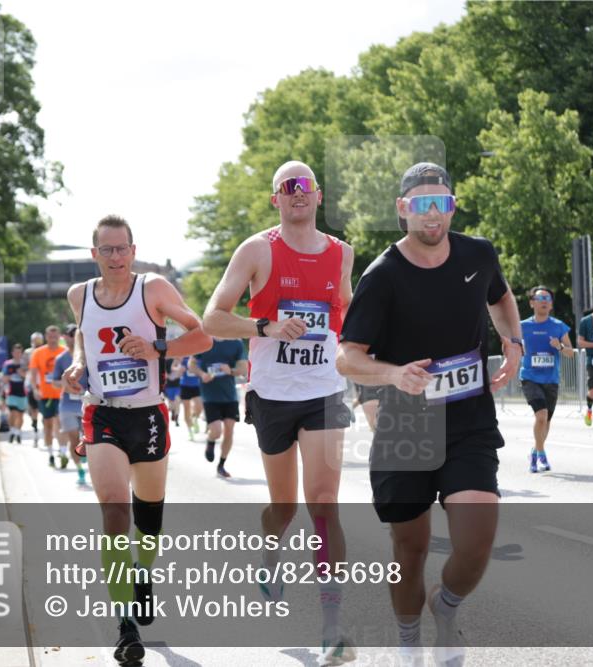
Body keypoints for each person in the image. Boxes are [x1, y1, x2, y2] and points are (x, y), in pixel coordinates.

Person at [336, 162, 522, 667]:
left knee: (477, 538)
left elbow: (501, 297)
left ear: (453, 205)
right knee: (410, 549)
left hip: (469, 418)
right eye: (421, 204)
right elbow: (347, 355)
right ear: (403, 210)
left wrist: (513, 342)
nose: (432, 213)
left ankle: (446, 605)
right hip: (405, 422)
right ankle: (408, 641)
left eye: (441, 202)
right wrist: (395, 375)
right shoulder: (383, 276)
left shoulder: (477, 254)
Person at [202, 160, 356, 665]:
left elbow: (349, 315)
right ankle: (270, 554)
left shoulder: (342, 254)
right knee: (284, 507)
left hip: (324, 391)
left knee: (324, 502)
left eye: (305, 186)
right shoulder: (257, 250)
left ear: (318, 195)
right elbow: (213, 319)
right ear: (276, 199)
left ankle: (332, 627)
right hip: (271, 395)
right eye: (287, 188)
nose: (297, 194)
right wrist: (266, 327)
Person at [61, 215, 211, 667]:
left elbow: (201, 336)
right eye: (106, 250)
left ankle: (142, 573)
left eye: (122, 248)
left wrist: (156, 349)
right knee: (114, 510)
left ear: (133, 249)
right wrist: (76, 365)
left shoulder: (154, 289)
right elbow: (84, 342)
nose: (115, 257)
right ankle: (125, 625)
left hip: (148, 414)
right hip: (102, 412)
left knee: (149, 519)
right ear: (94, 254)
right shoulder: (79, 296)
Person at [519, 286, 575, 473]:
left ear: (551, 305)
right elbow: (510, 345)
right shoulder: (523, 326)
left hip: (551, 379)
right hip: (529, 377)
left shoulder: (558, 326)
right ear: (532, 302)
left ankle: (535, 451)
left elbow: (570, 353)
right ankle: (541, 453)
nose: (544, 301)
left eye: (548, 298)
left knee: (546, 421)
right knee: (541, 415)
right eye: (540, 297)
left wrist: (558, 345)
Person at [188, 338, 248, 478]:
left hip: (230, 396)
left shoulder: (236, 343)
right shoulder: (205, 341)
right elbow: (192, 364)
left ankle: (221, 464)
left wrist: (231, 371)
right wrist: (202, 374)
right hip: (210, 395)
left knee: (229, 430)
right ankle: (211, 441)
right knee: (216, 431)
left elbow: (243, 368)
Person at [52, 324, 88, 485]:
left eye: (76, 334)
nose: (74, 338)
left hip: (87, 402)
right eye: (71, 335)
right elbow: (54, 382)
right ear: (66, 337)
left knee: (88, 439)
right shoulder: (61, 359)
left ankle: (86, 454)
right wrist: (66, 385)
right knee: (73, 438)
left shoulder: (89, 357)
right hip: (67, 403)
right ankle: (80, 470)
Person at [28, 326, 66, 467]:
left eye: (55, 337)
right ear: (46, 337)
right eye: (50, 337)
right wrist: (34, 389)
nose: (53, 339)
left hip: (62, 395)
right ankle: (50, 454)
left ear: (59, 337)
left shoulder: (64, 352)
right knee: (48, 425)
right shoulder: (38, 353)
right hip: (45, 394)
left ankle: (62, 453)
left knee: (60, 424)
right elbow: (33, 373)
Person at [1, 344, 28, 443]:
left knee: (20, 415)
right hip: (11, 392)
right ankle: (12, 431)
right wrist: (11, 375)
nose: (17, 354)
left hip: (23, 392)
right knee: (13, 413)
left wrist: (22, 374)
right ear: (12, 353)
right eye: (15, 352)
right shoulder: (8, 364)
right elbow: (4, 378)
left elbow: (29, 377)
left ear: (21, 353)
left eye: (19, 352)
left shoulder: (24, 364)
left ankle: (17, 432)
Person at [24, 332, 44, 445]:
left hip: (44, 384)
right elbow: (22, 367)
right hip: (31, 384)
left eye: (39, 340)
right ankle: (35, 429)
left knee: (44, 411)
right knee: (34, 409)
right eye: (35, 341)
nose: (37, 343)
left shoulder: (46, 350)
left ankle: (43, 428)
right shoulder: (28, 352)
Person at [178, 356, 203, 440]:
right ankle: (190, 431)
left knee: (199, 407)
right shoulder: (183, 357)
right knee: (186, 409)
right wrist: (179, 369)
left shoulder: (199, 358)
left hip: (196, 386)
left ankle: (195, 418)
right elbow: (174, 366)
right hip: (185, 386)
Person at [163, 357, 183, 427]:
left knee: (177, 401)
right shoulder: (165, 361)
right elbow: (164, 372)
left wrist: (178, 373)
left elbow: (180, 371)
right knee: (171, 404)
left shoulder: (178, 360)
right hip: (168, 386)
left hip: (177, 385)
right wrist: (169, 377)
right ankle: (173, 412)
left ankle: (177, 418)